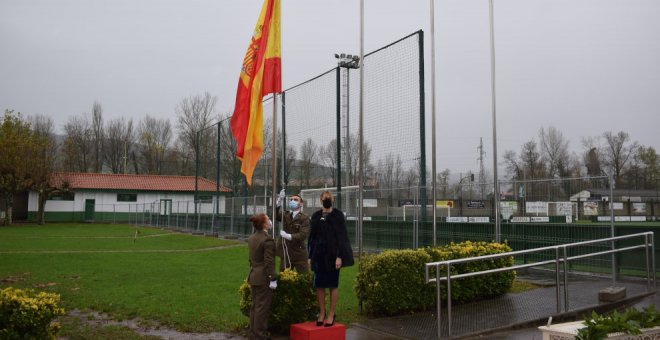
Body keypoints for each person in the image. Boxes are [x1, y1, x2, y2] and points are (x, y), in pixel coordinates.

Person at [307, 191, 354, 327]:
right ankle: (322, 312)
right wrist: (310, 256)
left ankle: (331, 314)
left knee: (333, 285)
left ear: (332, 199)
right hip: (318, 255)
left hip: (333, 256)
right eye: (324, 198)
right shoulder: (316, 216)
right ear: (320, 200)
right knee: (319, 285)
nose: (327, 200)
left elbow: (342, 237)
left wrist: (339, 256)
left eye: (329, 198)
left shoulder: (338, 215)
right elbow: (311, 238)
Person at [247, 213, 277, 340]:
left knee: (255, 305)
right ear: (264, 224)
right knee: (262, 307)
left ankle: (253, 332)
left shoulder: (252, 238)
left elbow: (251, 259)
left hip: (253, 274)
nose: (270, 221)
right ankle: (260, 334)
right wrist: (272, 277)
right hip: (263, 276)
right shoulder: (267, 239)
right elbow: (269, 261)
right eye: (268, 219)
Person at [275, 189, 310, 272]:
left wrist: (288, 236)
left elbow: (303, 234)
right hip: (286, 252)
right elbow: (275, 215)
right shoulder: (285, 215)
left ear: (301, 203)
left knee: (303, 279)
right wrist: (279, 201)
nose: (292, 201)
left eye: (295, 200)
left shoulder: (304, 218)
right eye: (291, 200)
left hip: (299, 253)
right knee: (284, 280)